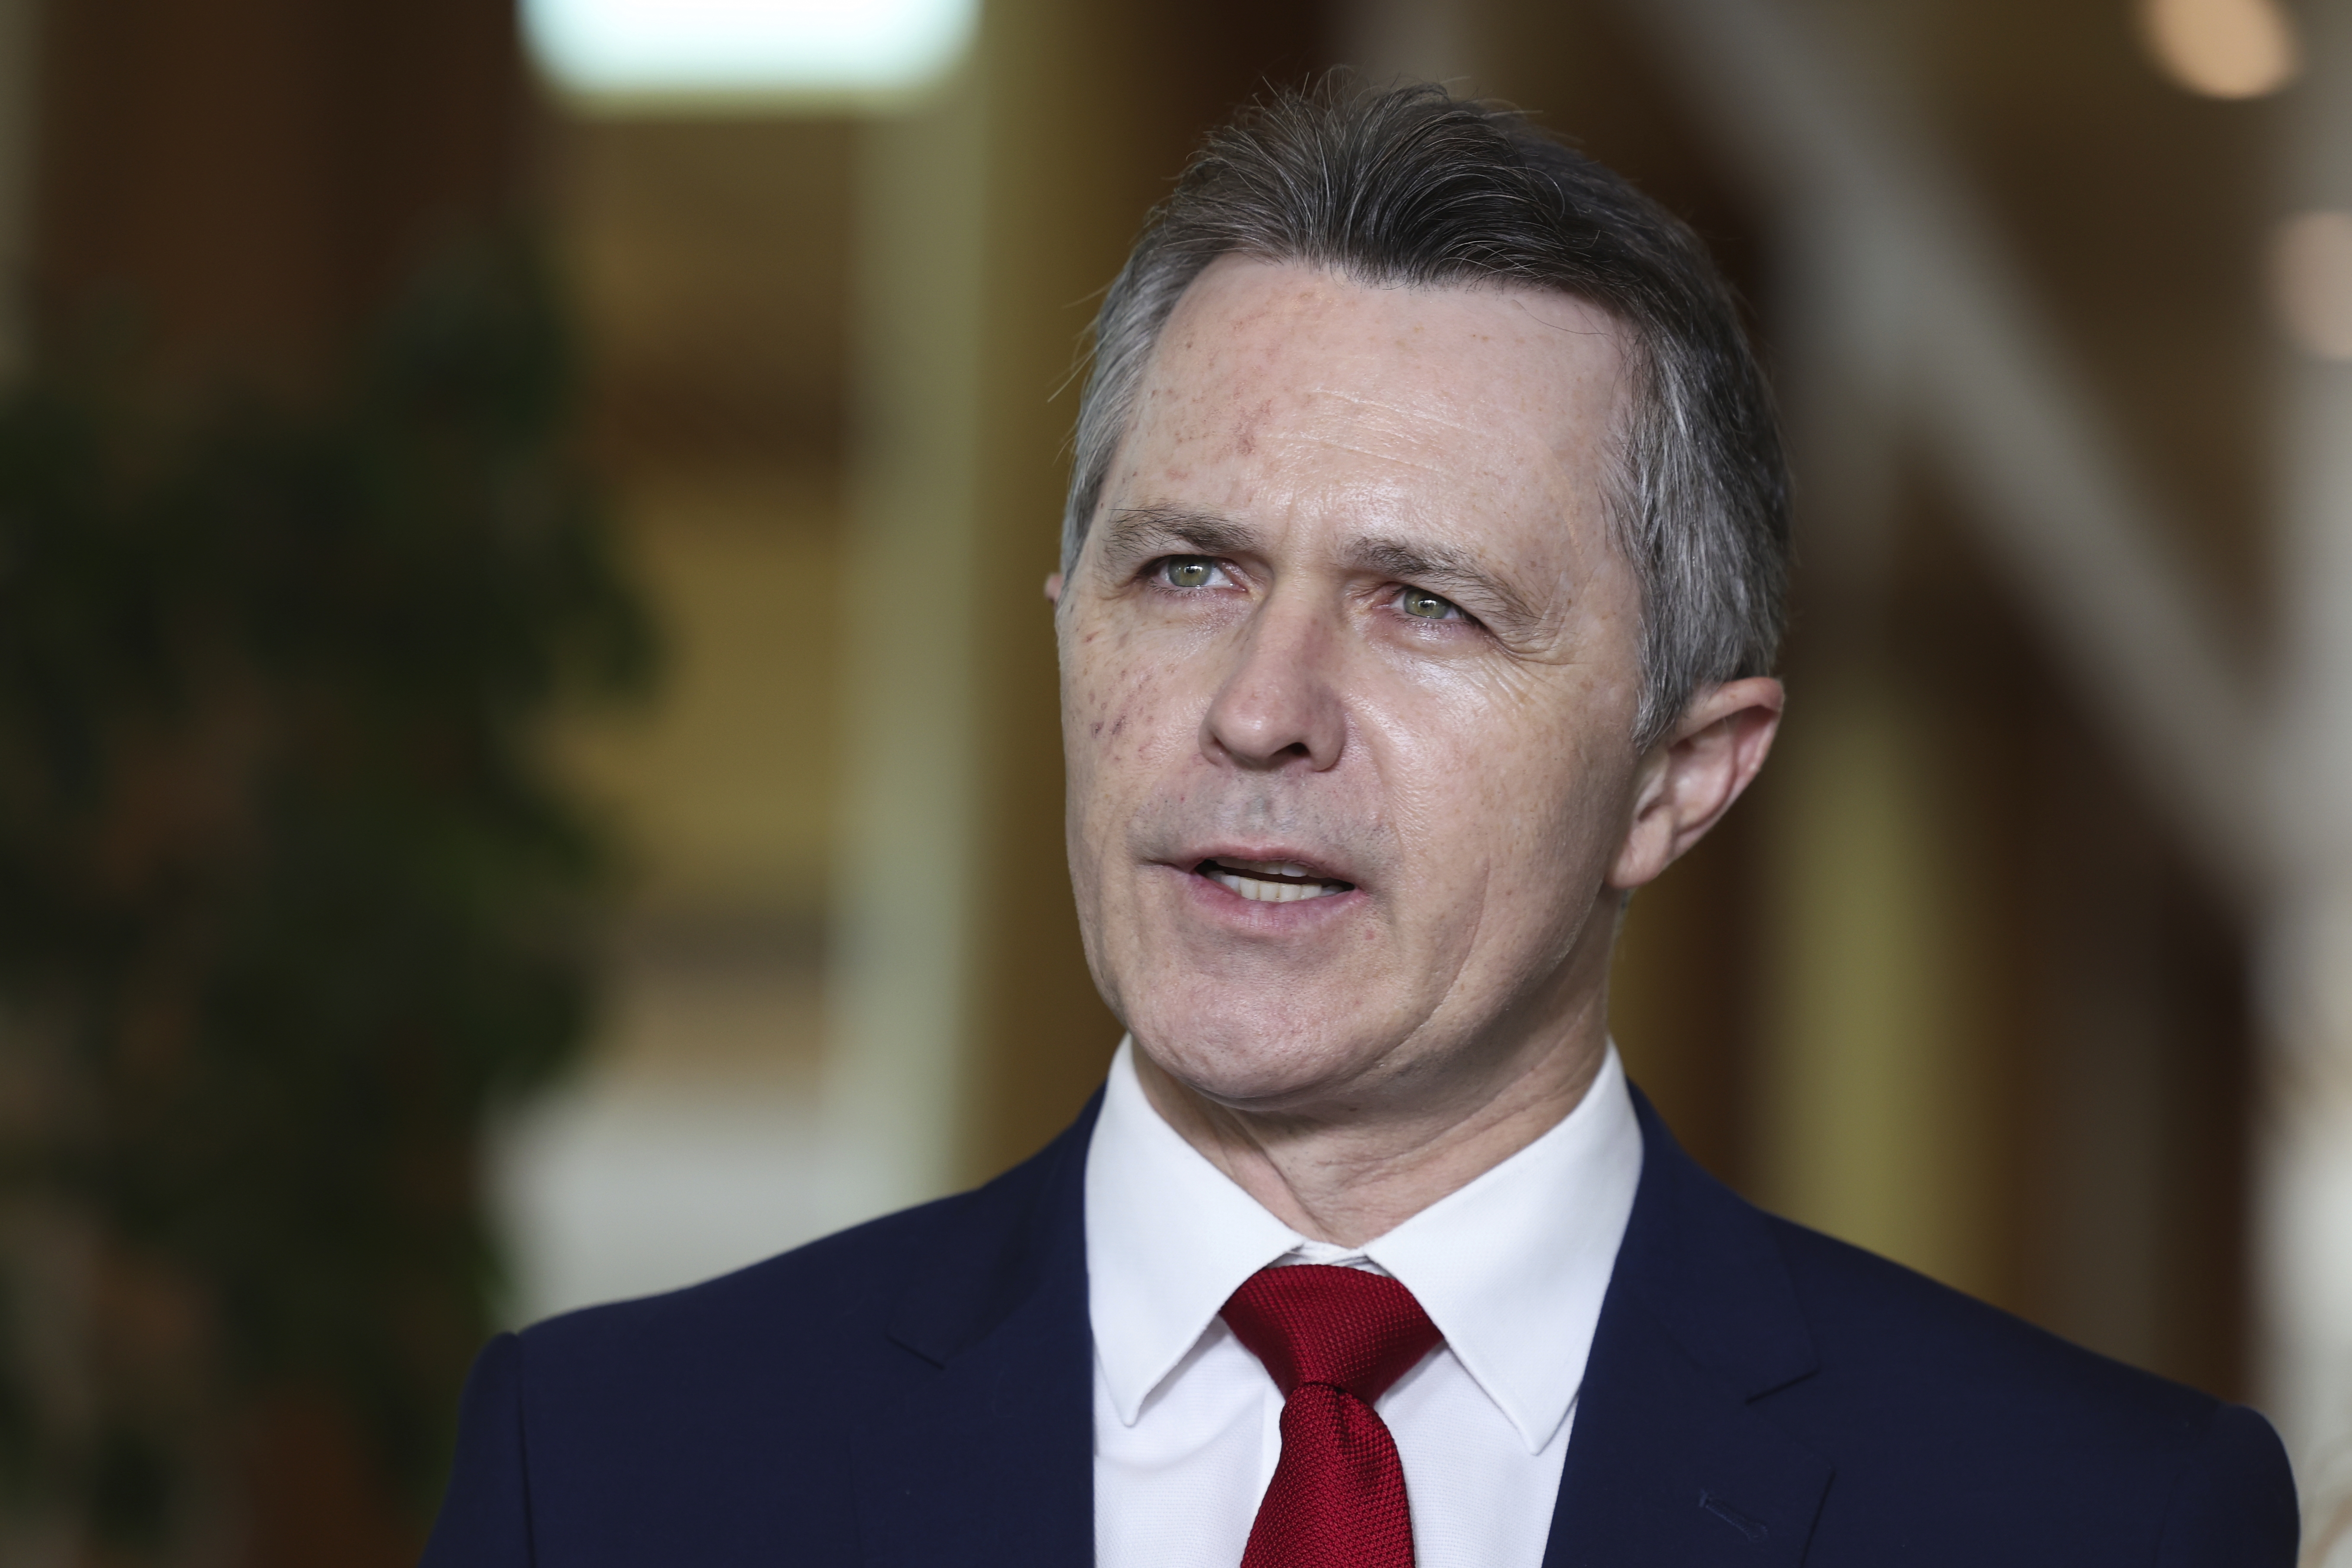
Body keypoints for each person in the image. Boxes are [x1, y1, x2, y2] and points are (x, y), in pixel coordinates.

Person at [420, 81, 2298, 1567]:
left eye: (1427, 604)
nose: (1259, 704)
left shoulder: (2084, 1517)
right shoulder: (607, 1472)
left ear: (1682, 773)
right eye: (1184, 569)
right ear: (1064, 620)